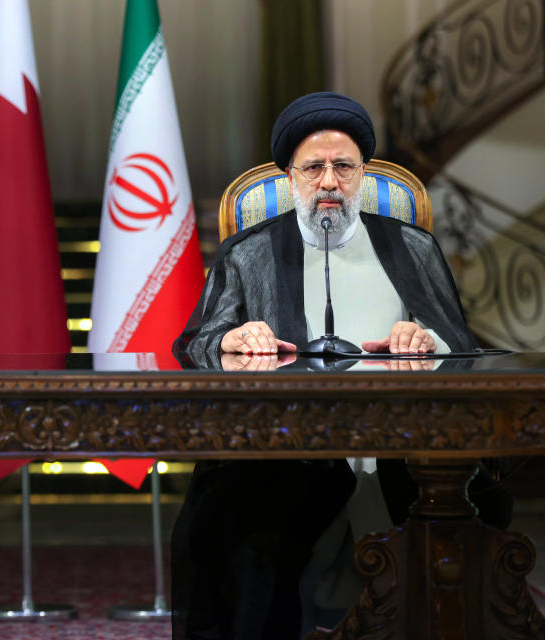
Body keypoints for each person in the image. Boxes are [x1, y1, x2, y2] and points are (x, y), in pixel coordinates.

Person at [170, 92, 508, 639]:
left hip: (402, 453)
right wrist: (235, 336)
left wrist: (425, 338)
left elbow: (462, 346)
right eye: (314, 168)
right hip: (288, 456)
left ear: (363, 173)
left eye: (343, 167)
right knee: (237, 527)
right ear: (289, 177)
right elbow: (195, 345)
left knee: (473, 508)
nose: (329, 182)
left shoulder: (411, 246)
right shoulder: (248, 253)